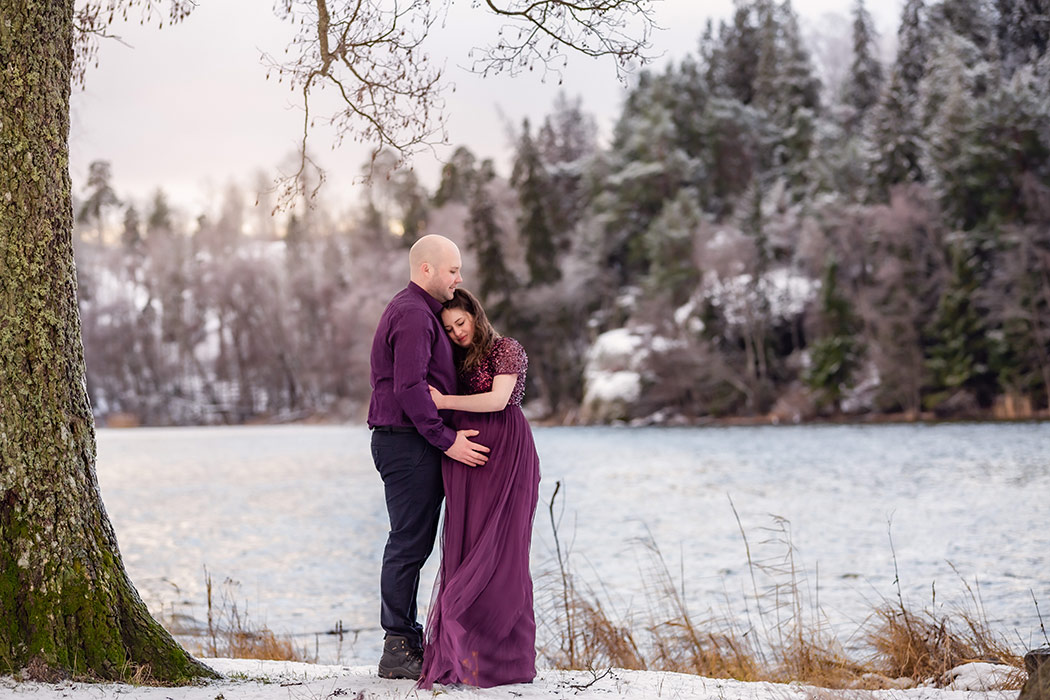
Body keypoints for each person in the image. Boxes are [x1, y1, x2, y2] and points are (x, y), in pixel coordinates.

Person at [368, 235, 491, 681]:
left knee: (415, 542)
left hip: (412, 441)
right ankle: (398, 646)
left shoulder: (422, 312)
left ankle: (408, 639)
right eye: (453, 269)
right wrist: (447, 440)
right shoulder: (414, 315)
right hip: (407, 442)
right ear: (427, 269)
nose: (459, 278)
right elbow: (410, 388)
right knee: (409, 543)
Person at [418, 288, 541, 688]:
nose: (456, 333)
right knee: (467, 544)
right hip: (465, 458)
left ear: (475, 315)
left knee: (503, 551)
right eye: (449, 329)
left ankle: (506, 662)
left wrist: (442, 402)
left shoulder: (506, 348)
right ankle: (465, 657)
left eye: (461, 323)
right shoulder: (454, 356)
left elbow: (498, 399)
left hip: (506, 454)